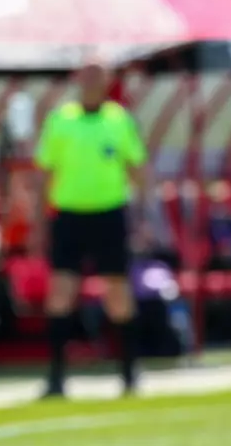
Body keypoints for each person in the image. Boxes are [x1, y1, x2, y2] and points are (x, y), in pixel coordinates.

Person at [32, 58, 149, 399]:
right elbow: (45, 172)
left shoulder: (119, 119)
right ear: (77, 78)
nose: (92, 80)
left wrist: (141, 216)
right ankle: (56, 377)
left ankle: (129, 373)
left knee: (118, 293)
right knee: (61, 293)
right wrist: (39, 223)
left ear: (108, 80)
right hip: (69, 215)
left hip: (109, 215)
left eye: (98, 74)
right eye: (87, 74)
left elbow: (137, 168)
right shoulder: (60, 120)